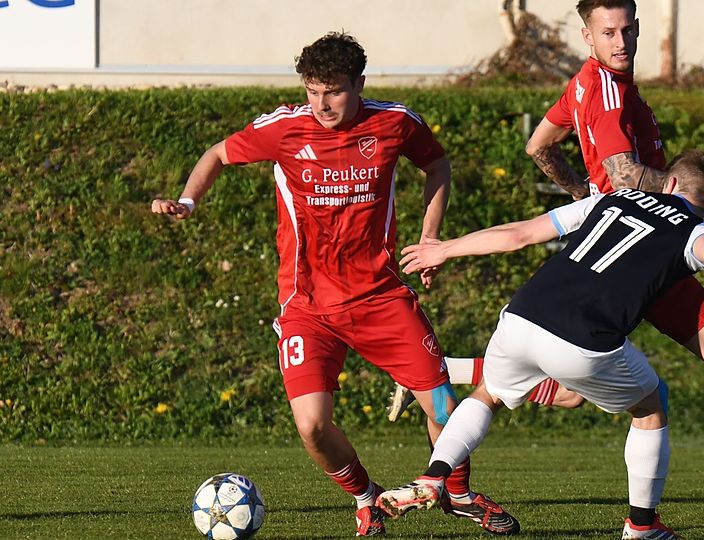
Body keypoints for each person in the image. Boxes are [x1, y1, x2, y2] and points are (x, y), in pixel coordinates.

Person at [398, 0, 704, 515]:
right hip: (642, 243)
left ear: (637, 28)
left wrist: (584, 194)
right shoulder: (607, 92)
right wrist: (692, 186)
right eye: (608, 33)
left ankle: (441, 373)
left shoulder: (586, 84)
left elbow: (539, 146)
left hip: (606, 231)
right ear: (587, 35)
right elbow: (627, 177)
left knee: (572, 383)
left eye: (626, 30)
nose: (620, 42)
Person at [151, 32, 519, 537]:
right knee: (312, 425)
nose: (322, 104)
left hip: (380, 297)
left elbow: (437, 164)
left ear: (359, 84)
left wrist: (430, 237)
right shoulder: (285, 128)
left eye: (334, 91)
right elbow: (217, 153)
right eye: (313, 91)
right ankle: (366, 498)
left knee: (442, 406)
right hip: (307, 306)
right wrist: (188, 201)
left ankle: (457, 494)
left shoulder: (395, 123)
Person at [376, 150, 704, 539]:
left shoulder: (614, 198)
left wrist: (445, 249)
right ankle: (642, 526)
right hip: (584, 339)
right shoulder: (695, 230)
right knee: (651, 404)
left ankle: (434, 475)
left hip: (521, 317)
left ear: (670, 183)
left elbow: (519, 235)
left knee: (489, 395)